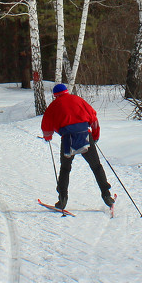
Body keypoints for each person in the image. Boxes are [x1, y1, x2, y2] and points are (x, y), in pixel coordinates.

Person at [40, 83, 114, 211]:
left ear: (55, 95)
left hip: (68, 139)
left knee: (65, 169)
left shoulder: (53, 106)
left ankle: (62, 199)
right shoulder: (78, 100)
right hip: (85, 136)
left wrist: (48, 137)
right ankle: (107, 196)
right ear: (67, 91)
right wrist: (95, 136)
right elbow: (94, 119)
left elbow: (46, 125)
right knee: (96, 166)